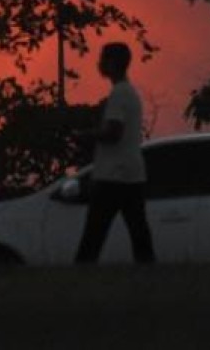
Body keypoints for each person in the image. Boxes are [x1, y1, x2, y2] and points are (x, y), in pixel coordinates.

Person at [74, 41, 155, 264]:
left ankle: (81, 274)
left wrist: (87, 135)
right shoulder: (129, 92)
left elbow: (113, 132)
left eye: (102, 58)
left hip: (113, 176)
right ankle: (149, 273)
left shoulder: (120, 94)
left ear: (112, 63)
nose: (99, 64)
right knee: (138, 231)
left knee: (94, 233)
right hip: (131, 174)